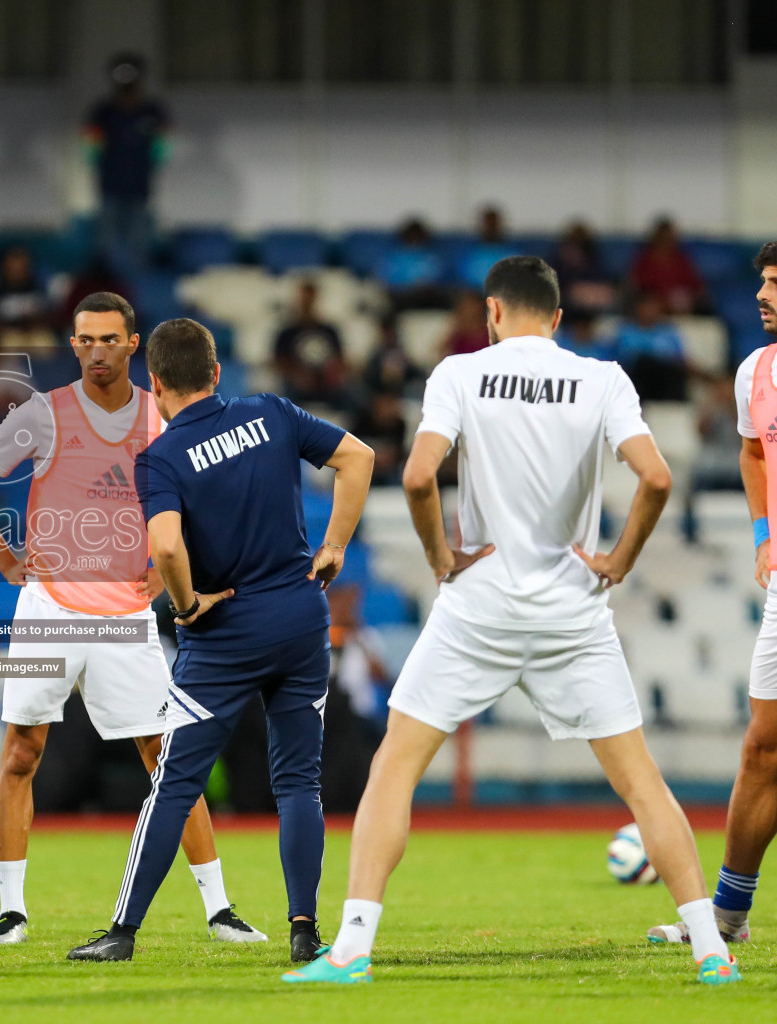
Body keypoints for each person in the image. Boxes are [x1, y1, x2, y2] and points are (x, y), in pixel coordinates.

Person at [286, 256, 737, 986]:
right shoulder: (602, 379)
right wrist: (618, 559)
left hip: (480, 606)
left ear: (492, 313)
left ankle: (350, 951)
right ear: (557, 319)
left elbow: (415, 474)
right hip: (572, 612)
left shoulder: (459, 375)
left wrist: (442, 558)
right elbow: (657, 476)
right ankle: (711, 953)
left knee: (394, 769)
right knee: (643, 785)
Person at [0, 293, 268, 952]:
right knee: (21, 753)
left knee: (169, 760)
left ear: (133, 345)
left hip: (125, 615)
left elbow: (205, 506)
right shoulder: (42, 415)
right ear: (73, 346)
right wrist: (8, 563)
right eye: (84, 339)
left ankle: (219, 908)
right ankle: (11, 911)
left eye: (108, 339)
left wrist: (161, 578)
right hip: (45, 611)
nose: (96, 350)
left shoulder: (164, 418)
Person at [64, 317, 373, 964]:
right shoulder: (271, 411)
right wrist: (334, 546)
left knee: (175, 783)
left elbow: (168, 544)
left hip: (225, 636)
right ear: (214, 373)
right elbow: (359, 457)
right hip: (298, 618)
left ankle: (122, 932)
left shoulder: (161, 458)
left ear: (154, 383)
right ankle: (303, 929)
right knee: (298, 783)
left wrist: (186, 605)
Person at [648, 241, 777, 947]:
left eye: (776, 283)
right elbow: (755, 450)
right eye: (761, 281)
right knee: (764, 749)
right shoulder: (756, 371)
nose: (762, 295)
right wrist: (763, 531)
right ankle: (728, 917)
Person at [83, 53, 168, 277]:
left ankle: (137, 283)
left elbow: (163, 149)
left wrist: (150, 162)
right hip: (110, 185)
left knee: (139, 241)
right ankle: (105, 281)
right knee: (106, 239)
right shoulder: (103, 113)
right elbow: (90, 149)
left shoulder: (152, 112)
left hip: (139, 185)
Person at [272, 280, 350, 409]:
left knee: (351, 394)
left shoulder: (329, 331)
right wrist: (296, 373)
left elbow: (340, 360)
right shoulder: (287, 332)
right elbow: (278, 361)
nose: (307, 304)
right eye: (304, 299)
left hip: (326, 382)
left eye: (310, 299)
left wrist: (331, 373)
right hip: (296, 384)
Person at [615, 291, 688, 401]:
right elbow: (621, 358)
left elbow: (680, 358)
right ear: (638, 309)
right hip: (636, 377)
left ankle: (671, 406)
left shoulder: (668, 331)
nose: (649, 312)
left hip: (665, 378)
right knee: (644, 363)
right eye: (646, 308)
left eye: (653, 308)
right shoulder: (626, 331)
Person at [631, 217, 706, 315]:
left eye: (669, 237)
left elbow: (695, 285)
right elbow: (637, 284)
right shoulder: (644, 259)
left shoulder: (681, 259)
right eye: (663, 237)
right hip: (652, 302)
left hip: (679, 303)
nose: (666, 241)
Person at [376, 218, 447, 310]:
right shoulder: (395, 257)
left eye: (418, 237)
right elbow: (387, 281)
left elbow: (436, 280)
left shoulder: (430, 257)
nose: (414, 240)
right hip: (402, 296)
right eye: (411, 237)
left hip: (426, 296)